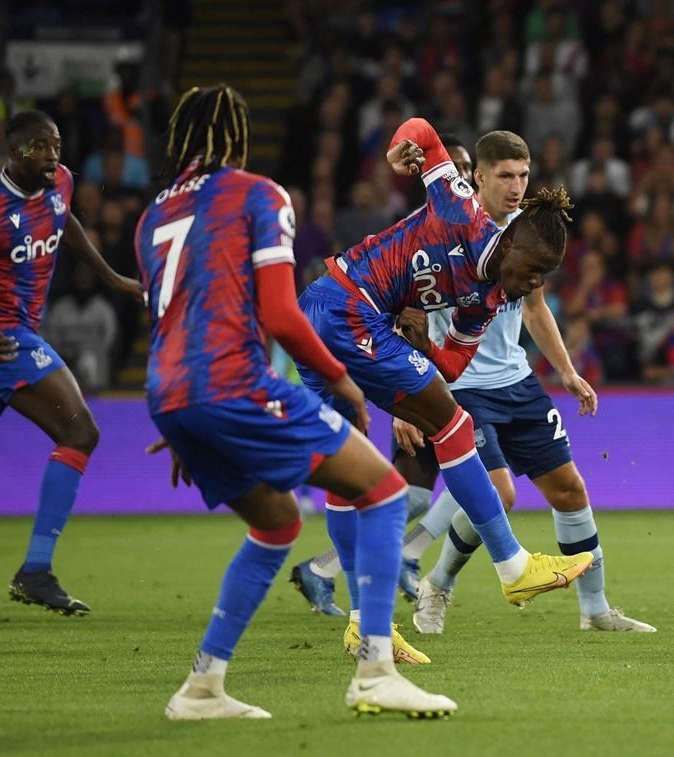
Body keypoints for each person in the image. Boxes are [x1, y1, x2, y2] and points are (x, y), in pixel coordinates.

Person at [137, 85, 455, 720]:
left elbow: (171, 318)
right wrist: (338, 377)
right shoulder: (261, 194)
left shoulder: (154, 216)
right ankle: (374, 671)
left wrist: (183, 417)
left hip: (170, 392)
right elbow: (281, 312)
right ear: (236, 137)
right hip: (232, 380)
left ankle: (203, 687)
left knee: (278, 521)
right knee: (387, 491)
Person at [292, 117, 593, 651]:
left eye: (542, 278)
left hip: (326, 312)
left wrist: (421, 363)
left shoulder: (491, 297)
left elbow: (450, 368)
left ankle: (364, 625)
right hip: (346, 307)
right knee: (454, 424)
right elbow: (422, 130)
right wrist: (397, 151)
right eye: (532, 270)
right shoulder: (461, 207)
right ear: (512, 245)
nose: (532, 285)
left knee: (348, 469)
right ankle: (513, 564)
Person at [0, 110, 142, 616]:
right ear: (12, 149)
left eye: (56, 145)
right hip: (1, 339)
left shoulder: (61, 183)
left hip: (14, 335)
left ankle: (34, 572)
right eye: (39, 147)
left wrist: (113, 278)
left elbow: (63, 221)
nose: (51, 156)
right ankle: (36, 570)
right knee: (80, 432)